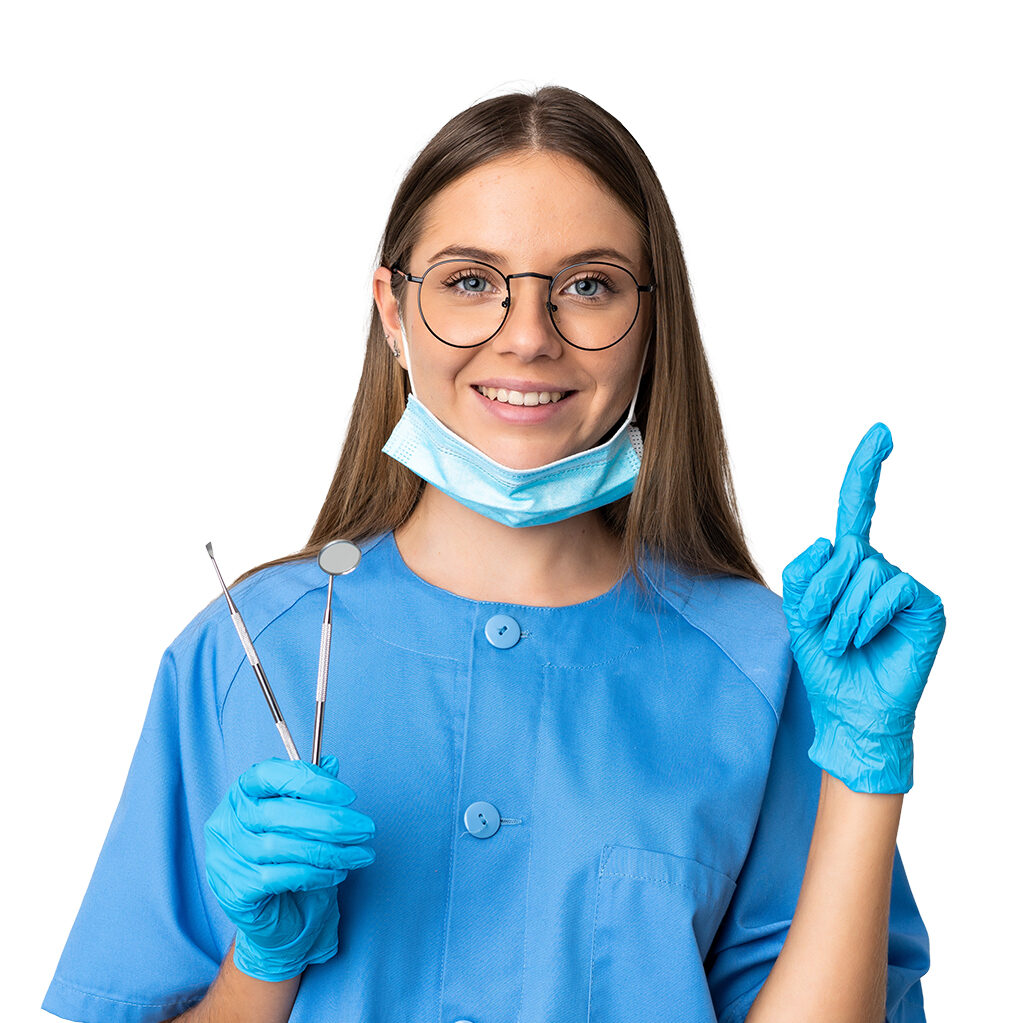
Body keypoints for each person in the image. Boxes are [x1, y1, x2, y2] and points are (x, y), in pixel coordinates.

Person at [43, 85, 944, 1023]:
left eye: (588, 286)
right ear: (392, 312)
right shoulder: (243, 652)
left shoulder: (769, 665)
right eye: (471, 280)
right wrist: (264, 964)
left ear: (650, 323)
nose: (527, 336)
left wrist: (864, 771)